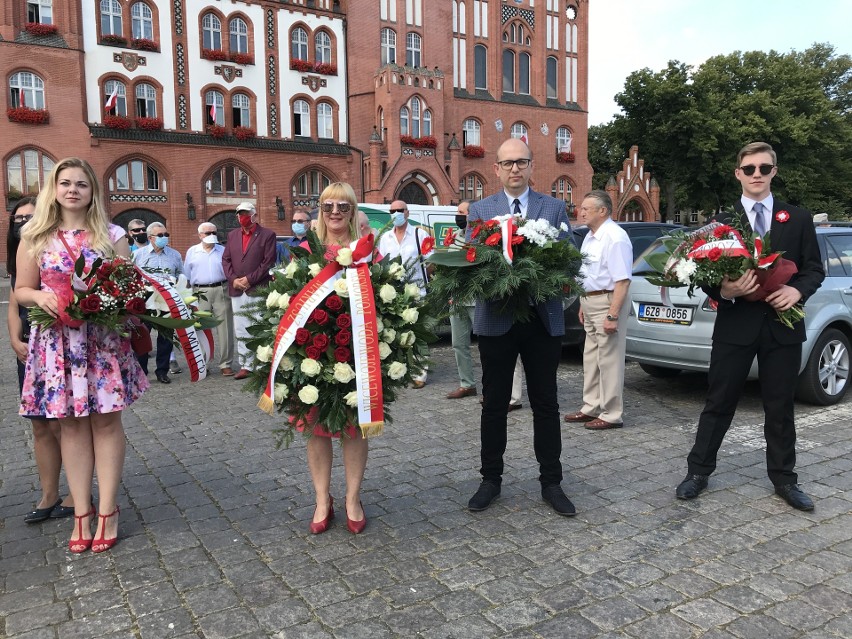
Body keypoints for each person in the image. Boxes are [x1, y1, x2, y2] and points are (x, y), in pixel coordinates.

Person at [676, 142, 825, 510]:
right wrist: (723, 289)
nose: (756, 174)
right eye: (749, 168)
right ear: (737, 173)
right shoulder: (720, 224)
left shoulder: (798, 218)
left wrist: (796, 291)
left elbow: (814, 270)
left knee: (780, 407)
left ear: (774, 171)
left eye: (764, 167)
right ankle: (698, 472)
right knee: (719, 402)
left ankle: (785, 480)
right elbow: (701, 273)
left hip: (782, 326)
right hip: (735, 325)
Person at [16, 157, 149, 552]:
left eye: (82, 184)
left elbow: (129, 287)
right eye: (65, 183)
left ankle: (107, 508)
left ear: (93, 192)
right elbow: (21, 288)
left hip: (101, 341)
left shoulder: (111, 234)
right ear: (53, 190)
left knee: (106, 423)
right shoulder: (35, 235)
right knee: (70, 426)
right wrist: (38, 294)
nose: (73, 189)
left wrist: (113, 302)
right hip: (57, 344)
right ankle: (81, 512)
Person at [466, 138, 576, 516]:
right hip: (496, 318)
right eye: (507, 163)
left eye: (521, 162)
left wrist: (551, 286)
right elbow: (470, 264)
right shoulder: (481, 210)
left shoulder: (554, 207)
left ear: (531, 166)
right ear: (495, 169)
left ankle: (552, 482)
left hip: (542, 320)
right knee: (494, 404)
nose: (515, 169)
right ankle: (490, 480)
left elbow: (570, 263)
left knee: (545, 403)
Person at [300, 182, 369, 534]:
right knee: (316, 428)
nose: (335, 212)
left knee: (355, 428)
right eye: (328, 206)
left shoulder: (366, 250)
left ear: (353, 211)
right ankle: (322, 498)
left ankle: (352, 498)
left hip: (358, 351)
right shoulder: (305, 250)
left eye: (343, 205)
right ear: (320, 212)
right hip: (312, 352)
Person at [7, 196, 75, 524]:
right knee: (39, 423)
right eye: (19, 219)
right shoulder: (21, 252)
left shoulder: (52, 245)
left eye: (30, 217)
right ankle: (49, 493)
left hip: (56, 340)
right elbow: (13, 299)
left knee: (65, 423)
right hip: (29, 347)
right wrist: (13, 338)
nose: (25, 223)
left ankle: (77, 490)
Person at [563, 191, 632, 430]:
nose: (580, 212)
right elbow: (590, 275)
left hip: (607, 301)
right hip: (591, 300)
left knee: (609, 359)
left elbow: (622, 281)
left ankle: (612, 413)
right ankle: (591, 406)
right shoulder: (592, 237)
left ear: (602, 211)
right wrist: (583, 302)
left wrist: (613, 315)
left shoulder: (615, 237)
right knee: (591, 357)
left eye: (586, 208)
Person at [377, 199, 432, 388]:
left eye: (400, 210)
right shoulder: (385, 238)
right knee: (398, 334)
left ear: (407, 212)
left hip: (418, 292)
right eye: (392, 210)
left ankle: (420, 374)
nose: (396, 213)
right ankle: (401, 371)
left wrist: (421, 281)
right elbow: (381, 265)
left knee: (420, 333)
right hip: (393, 293)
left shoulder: (420, 234)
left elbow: (431, 262)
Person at [222, 202, 277, 380]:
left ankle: (261, 364)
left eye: (245, 213)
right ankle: (246, 365)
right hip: (237, 289)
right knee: (240, 328)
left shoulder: (267, 235)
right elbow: (226, 260)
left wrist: (249, 279)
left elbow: (268, 261)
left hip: (258, 288)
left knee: (259, 326)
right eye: (239, 214)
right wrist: (233, 279)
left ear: (254, 215)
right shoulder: (232, 235)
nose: (242, 217)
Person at [133, 221, 184, 383]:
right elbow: (131, 278)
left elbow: (181, 277)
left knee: (166, 338)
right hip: (145, 302)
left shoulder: (174, 255)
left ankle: (162, 371)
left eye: (166, 235)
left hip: (167, 302)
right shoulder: (139, 255)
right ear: (150, 237)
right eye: (160, 235)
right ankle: (141, 371)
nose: (164, 238)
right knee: (142, 335)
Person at [184, 222, 235, 376]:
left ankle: (225, 363)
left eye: (214, 232)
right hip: (200, 291)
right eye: (207, 233)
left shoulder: (223, 251)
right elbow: (186, 274)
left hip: (221, 289)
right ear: (200, 235)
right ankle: (203, 363)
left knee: (225, 327)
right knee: (201, 329)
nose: (212, 235)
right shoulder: (192, 251)